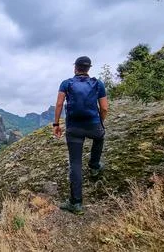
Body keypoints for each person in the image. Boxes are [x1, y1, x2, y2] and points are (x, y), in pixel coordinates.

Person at [53, 56, 109, 215]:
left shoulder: (66, 83)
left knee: (75, 163)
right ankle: (94, 165)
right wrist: (100, 123)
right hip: (93, 124)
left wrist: (56, 124)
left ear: (75, 68)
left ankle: (76, 203)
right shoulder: (98, 84)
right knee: (100, 137)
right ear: (88, 69)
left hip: (74, 128)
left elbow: (58, 104)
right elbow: (104, 108)